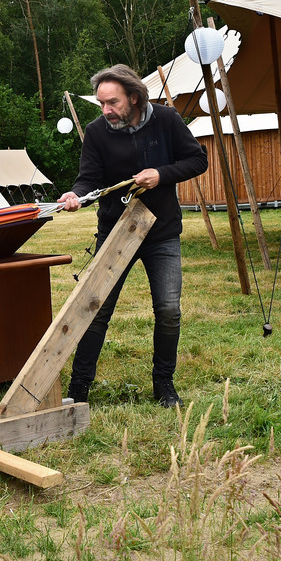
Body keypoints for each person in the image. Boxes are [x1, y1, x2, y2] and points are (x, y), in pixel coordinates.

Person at [58, 64, 208, 408]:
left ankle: (164, 386)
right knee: (96, 308)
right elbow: (89, 178)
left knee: (169, 310)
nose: (106, 111)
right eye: (102, 104)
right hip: (114, 232)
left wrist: (161, 174)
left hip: (161, 232)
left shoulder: (167, 121)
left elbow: (197, 160)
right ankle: (79, 387)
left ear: (135, 97)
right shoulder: (97, 131)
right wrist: (75, 194)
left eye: (112, 103)